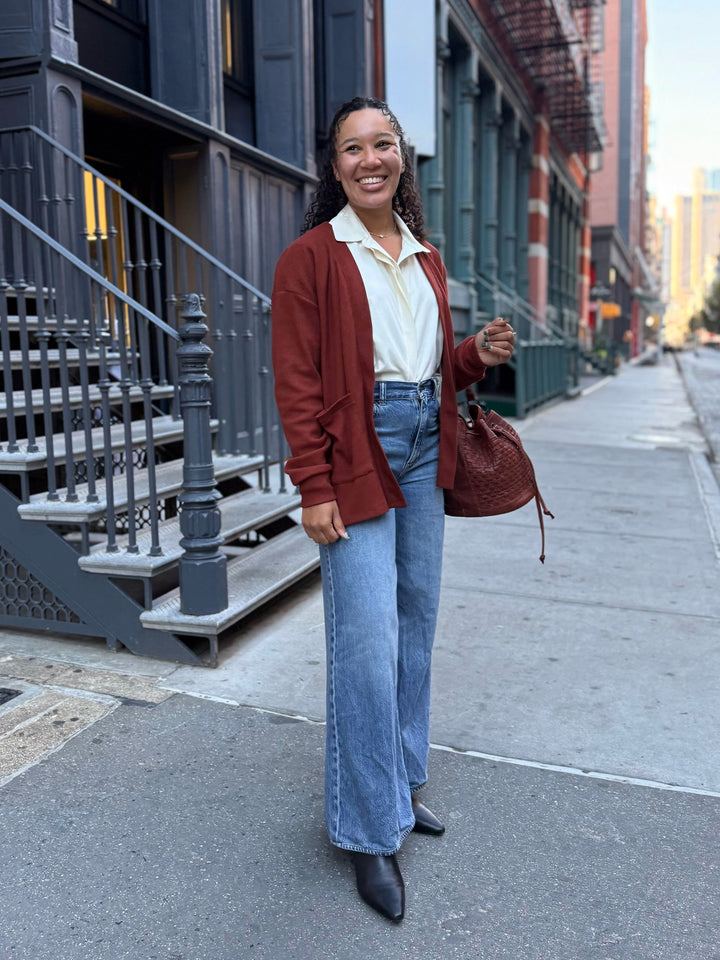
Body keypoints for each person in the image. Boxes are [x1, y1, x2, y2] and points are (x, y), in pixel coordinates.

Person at [271, 96, 514, 923]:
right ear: (333, 165)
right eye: (352, 148)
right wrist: (314, 485)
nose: (370, 159)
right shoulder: (311, 258)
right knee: (366, 642)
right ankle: (370, 832)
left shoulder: (425, 258)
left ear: (401, 157)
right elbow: (300, 381)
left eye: (383, 144)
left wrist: (471, 358)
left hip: (423, 443)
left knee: (416, 620)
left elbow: (425, 368)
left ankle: (401, 788)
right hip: (357, 449)